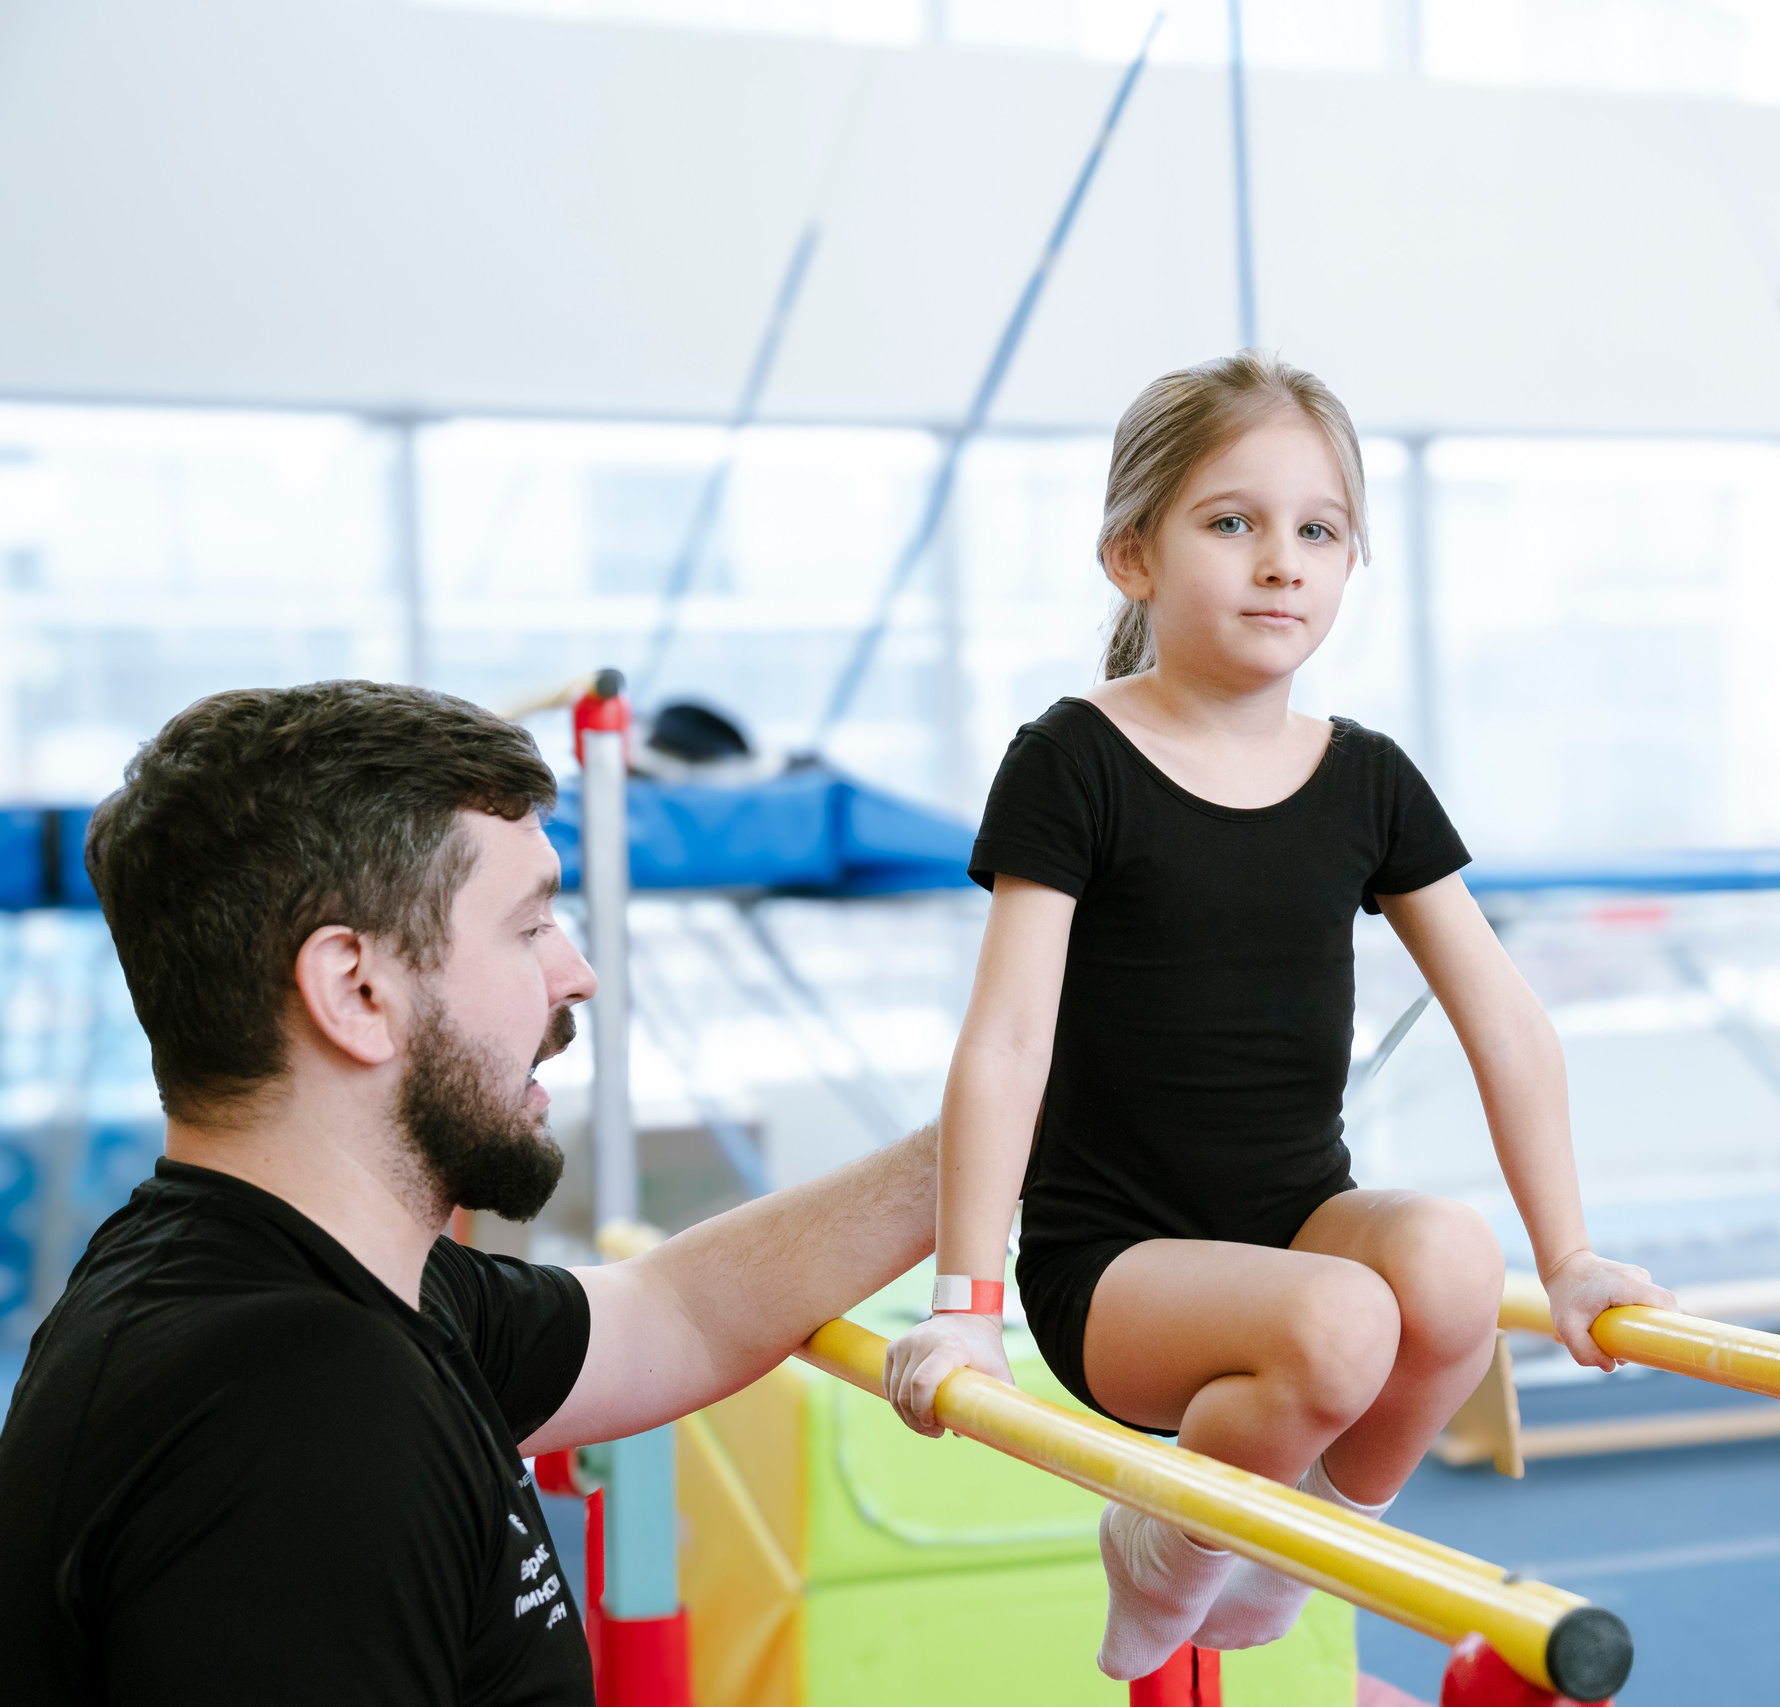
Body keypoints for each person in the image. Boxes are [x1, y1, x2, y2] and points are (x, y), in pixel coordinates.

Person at [882, 351, 1674, 1680]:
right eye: (1232, 521)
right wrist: (964, 1303)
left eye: (1319, 531)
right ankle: (1163, 1540)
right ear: (1133, 555)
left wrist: (1574, 1255)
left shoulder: (1366, 778)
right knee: (1343, 1320)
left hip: (1298, 1225)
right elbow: (1008, 1042)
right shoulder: (1074, 759)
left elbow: (1505, 1020)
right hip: (1117, 1269)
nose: (1280, 563)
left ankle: (1303, 1533)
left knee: (1455, 1262)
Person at [0, 681, 939, 1706]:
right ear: (357, 991)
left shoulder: (284, 1277)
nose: (576, 974)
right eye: (530, 925)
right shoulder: (304, 1428)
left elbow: (676, 1312)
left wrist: (998, 1125)